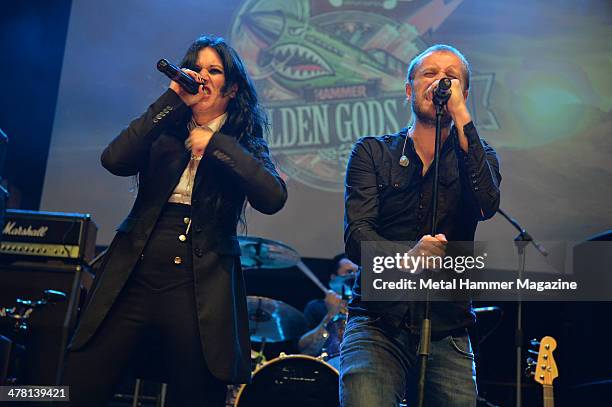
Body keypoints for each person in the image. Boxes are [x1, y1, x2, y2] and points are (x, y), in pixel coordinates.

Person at [62, 35, 287, 407]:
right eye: (196, 68)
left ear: (231, 88)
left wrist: (215, 146)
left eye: (213, 70)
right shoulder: (166, 125)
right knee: (77, 384)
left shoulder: (244, 141)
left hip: (196, 282)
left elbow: (272, 197)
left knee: (196, 392)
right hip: (136, 270)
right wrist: (172, 100)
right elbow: (114, 160)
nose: (202, 76)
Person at [340, 44, 501, 406]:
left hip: (448, 325)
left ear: (463, 94)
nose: (440, 82)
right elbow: (357, 237)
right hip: (378, 320)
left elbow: (486, 205)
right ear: (409, 89)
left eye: (451, 77)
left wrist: (461, 117)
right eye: (429, 74)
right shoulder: (372, 153)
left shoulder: (480, 157)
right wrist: (408, 256)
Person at [298, 253, 357, 356]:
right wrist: (331, 315)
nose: (355, 277)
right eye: (349, 272)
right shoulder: (316, 307)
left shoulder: (367, 310)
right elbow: (306, 350)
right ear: (333, 277)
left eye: (358, 272)